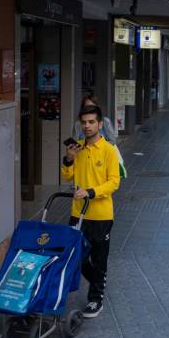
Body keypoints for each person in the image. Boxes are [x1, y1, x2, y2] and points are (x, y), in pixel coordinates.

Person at [61, 105, 120, 318]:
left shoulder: (109, 150)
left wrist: (91, 192)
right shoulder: (78, 149)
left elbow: (114, 182)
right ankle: (98, 282)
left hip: (101, 215)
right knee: (75, 256)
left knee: (99, 259)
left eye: (91, 122)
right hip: (78, 213)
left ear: (100, 124)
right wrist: (69, 158)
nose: (87, 126)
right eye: (84, 122)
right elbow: (67, 176)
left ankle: (96, 299)